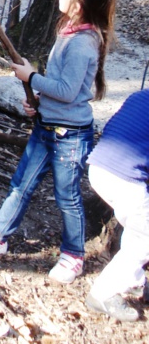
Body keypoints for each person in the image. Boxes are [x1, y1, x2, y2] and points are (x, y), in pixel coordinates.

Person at [0, 0, 116, 285]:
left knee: (67, 195)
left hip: (69, 136)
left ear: (78, 4)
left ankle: (73, 256)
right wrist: (39, 102)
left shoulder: (83, 43)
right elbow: (59, 89)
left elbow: (69, 91)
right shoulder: (69, 33)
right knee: (21, 184)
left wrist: (31, 77)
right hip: (47, 126)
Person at [83, 89, 149, 322]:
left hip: (98, 166)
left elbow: (110, 127)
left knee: (137, 226)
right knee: (145, 236)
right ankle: (103, 293)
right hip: (124, 177)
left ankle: (135, 281)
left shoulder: (138, 96)